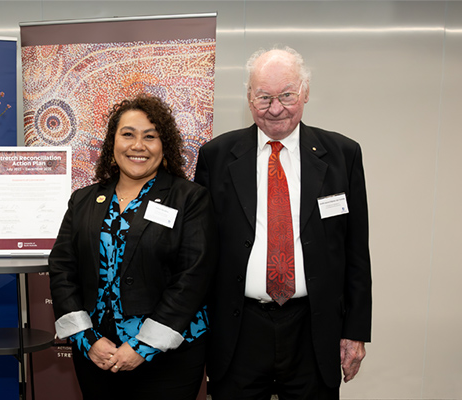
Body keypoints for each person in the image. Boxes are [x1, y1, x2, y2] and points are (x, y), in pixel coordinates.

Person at [194, 46, 372, 399]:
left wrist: (355, 331)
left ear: (305, 92)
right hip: (239, 326)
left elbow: (356, 251)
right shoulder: (216, 156)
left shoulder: (342, 154)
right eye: (264, 97)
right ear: (249, 98)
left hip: (313, 326)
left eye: (287, 95)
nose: (276, 108)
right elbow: (200, 252)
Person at [49, 94, 217, 399]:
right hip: (98, 352)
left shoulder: (189, 198)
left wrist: (143, 346)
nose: (137, 145)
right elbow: (62, 268)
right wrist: (87, 339)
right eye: (128, 134)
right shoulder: (84, 199)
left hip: (169, 356)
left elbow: (193, 278)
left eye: (150, 137)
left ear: (164, 146)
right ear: (112, 143)